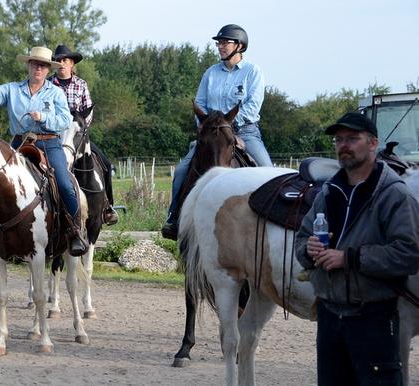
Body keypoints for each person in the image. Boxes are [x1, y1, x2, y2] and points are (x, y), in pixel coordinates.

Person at [295, 112, 419, 385]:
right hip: (329, 316)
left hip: (372, 319)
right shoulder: (329, 191)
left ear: (373, 143)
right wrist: (309, 250)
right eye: (339, 140)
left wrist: (348, 258)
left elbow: (408, 255)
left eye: (353, 138)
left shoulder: (395, 195)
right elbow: (301, 240)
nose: (344, 145)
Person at [0, 46, 87, 256]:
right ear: (28, 65)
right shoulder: (13, 90)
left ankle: (74, 232)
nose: (38, 68)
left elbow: (65, 120)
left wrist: (44, 118)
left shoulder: (56, 92)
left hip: (49, 142)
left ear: (48, 69)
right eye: (35, 63)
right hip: (18, 143)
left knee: (64, 183)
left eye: (43, 65)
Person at [161, 24, 272, 239]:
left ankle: (272, 219)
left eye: (225, 42)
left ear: (239, 45)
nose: (220, 46)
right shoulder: (210, 73)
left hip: (245, 131)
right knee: (182, 172)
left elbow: (252, 106)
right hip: (211, 134)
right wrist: (206, 124)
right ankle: (174, 218)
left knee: (268, 170)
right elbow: (200, 103)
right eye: (219, 43)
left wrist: (227, 124)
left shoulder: (253, 72)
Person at [47, 44, 119, 226]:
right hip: (54, 137)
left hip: (77, 136)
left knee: (105, 164)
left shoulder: (81, 84)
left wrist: (79, 129)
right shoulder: (47, 84)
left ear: (72, 64)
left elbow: (89, 111)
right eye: (58, 61)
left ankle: (107, 206)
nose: (61, 64)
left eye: (65, 60)